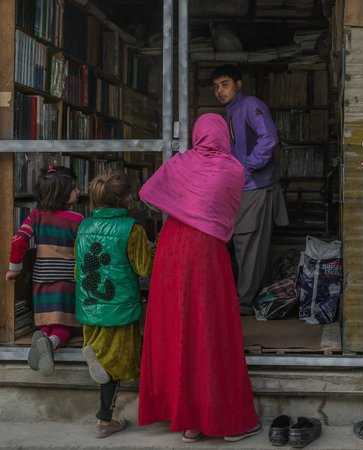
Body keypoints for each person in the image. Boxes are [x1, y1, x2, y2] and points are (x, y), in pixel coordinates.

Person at [137, 114, 260, 443]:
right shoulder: (233, 169)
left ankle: (187, 419)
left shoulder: (179, 164)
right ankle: (220, 419)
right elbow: (225, 212)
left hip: (171, 247)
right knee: (209, 329)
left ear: (196, 135)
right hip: (206, 252)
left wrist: (179, 201)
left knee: (177, 327)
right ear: (225, 135)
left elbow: (147, 192)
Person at [74, 172, 153, 438]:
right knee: (117, 362)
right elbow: (144, 267)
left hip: (91, 305)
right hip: (119, 307)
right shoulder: (132, 229)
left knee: (105, 353)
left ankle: (94, 356)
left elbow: (78, 270)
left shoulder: (83, 226)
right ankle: (104, 421)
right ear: (124, 199)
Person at [211, 64, 289, 315]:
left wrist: (247, 167)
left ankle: (243, 303)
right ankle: (249, 300)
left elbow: (269, 138)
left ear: (238, 84)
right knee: (245, 244)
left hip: (255, 186)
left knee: (249, 244)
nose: (220, 91)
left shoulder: (250, 105)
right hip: (242, 187)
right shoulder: (231, 112)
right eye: (216, 87)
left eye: (225, 84)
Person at [5, 166, 82, 375]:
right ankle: (51, 344)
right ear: (63, 193)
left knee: (47, 321)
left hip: (41, 278)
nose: (79, 192)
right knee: (64, 324)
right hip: (67, 280)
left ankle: (42, 340)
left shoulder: (35, 216)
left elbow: (19, 240)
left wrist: (15, 269)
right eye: (75, 189)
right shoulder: (77, 220)